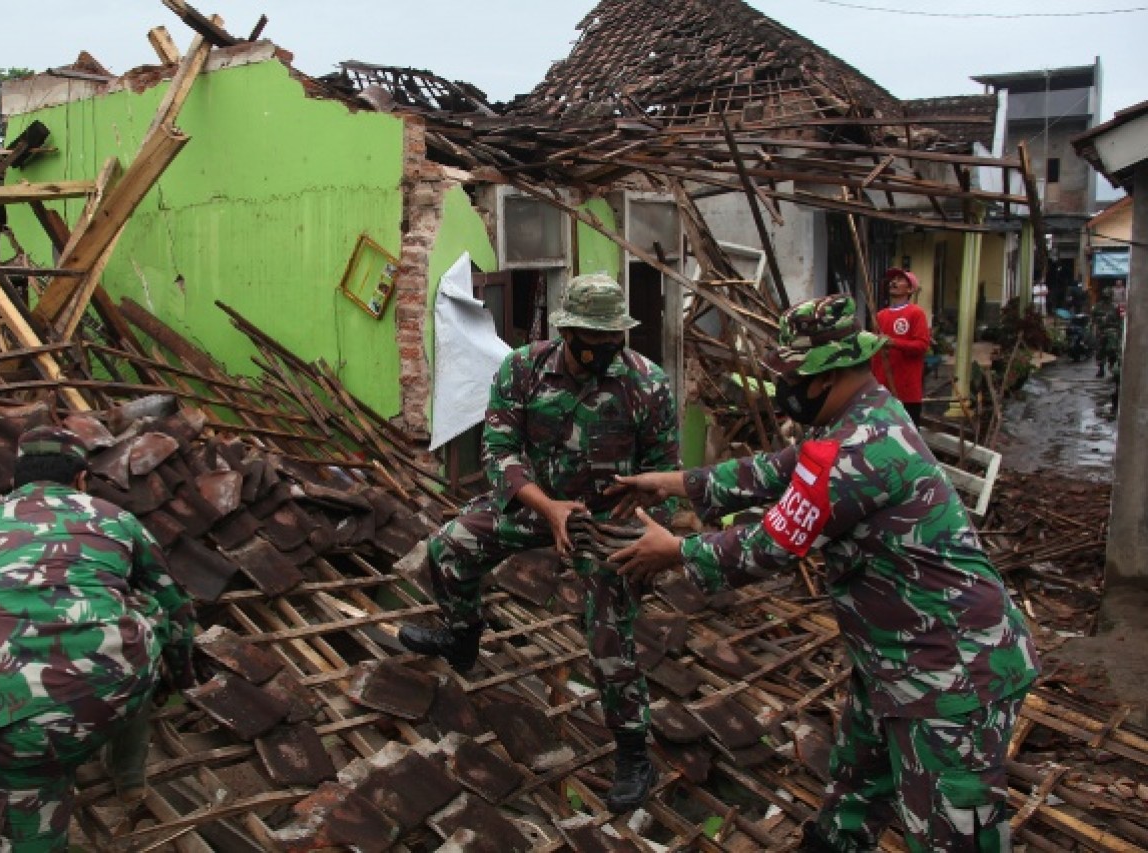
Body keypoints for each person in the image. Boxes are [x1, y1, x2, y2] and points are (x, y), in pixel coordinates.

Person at [606, 294, 1039, 852]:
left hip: (950, 673)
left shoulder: (862, 447)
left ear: (824, 373)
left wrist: (680, 551)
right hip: (892, 662)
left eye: (790, 375)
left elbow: (771, 545)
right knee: (854, 795)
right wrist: (675, 483)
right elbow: (776, 469)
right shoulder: (860, 414)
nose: (783, 390)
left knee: (952, 836)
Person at [398, 273, 679, 813]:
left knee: (608, 628)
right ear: (567, 332)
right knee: (448, 546)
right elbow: (498, 449)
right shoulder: (522, 369)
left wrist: (649, 524)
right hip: (536, 504)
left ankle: (631, 748)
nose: (602, 355)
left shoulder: (647, 383)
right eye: (591, 344)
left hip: (605, 517)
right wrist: (545, 506)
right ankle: (462, 634)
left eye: (612, 342)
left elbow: (664, 472)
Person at [0, 426, 196, 850]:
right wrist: (181, 677)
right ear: (81, 477)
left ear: (15, 480)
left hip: (6, 719)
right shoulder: (113, 517)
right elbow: (175, 607)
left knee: (14, 826)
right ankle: (128, 773)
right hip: (111, 690)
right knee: (142, 612)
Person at [870, 268, 931, 425]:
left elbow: (922, 345)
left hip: (906, 390)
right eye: (892, 279)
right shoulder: (880, 316)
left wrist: (894, 342)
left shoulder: (915, 313)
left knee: (907, 440)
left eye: (900, 279)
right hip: (881, 389)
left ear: (910, 289)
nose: (893, 282)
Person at [1093, 286, 1122, 379]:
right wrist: (1100, 321)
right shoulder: (1098, 306)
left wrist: (1119, 330)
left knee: (1112, 350)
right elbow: (1093, 317)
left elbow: (1120, 319)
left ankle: (1113, 369)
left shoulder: (1115, 306)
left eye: (1108, 296)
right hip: (1102, 331)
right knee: (1100, 351)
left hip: (1112, 331)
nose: (1107, 298)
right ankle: (1101, 369)